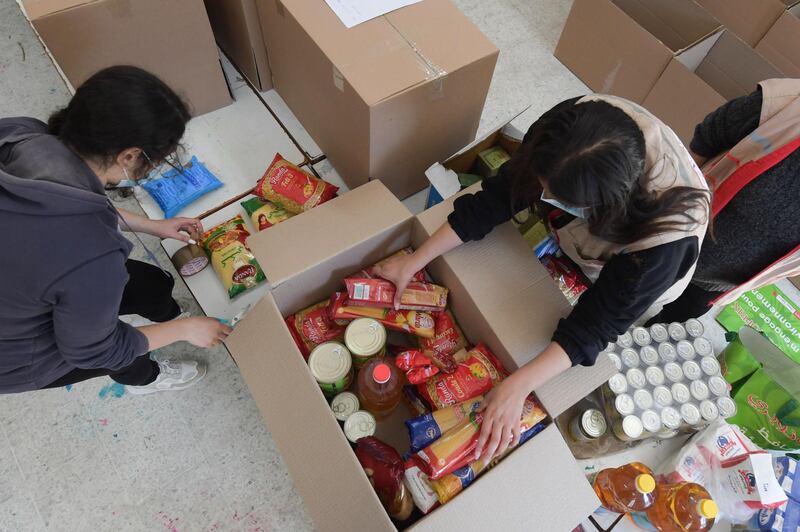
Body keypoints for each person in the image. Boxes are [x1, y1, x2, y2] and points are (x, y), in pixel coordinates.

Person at [376, 94, 710, 462]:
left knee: (603, 295)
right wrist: (416, 259)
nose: (545, 196)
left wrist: (518, 386)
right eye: (544, 186)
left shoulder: (660, 249)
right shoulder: (569, 129)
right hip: (590, 226)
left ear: (604, 208)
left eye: (559, 196)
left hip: (640, 270)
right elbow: (501, 195)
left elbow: (596, 325)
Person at [0, 65, 231, 395]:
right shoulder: (93, 255)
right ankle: (145, 379)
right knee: (122, 353)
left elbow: (60, 199)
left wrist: (151, 225)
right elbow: (92, 350)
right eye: (159, 157)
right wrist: (186, 330)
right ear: (129, 155)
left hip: (20, 280)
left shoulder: (22, 135)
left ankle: (162, 316)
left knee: (151, 285)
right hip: (17, 352)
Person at [653, 78, 800, 322]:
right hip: (671, 238)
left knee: (660, 337)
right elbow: (710, 135)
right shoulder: (789, 104)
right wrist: (668, 197)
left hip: (718, 284)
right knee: (608, 304)